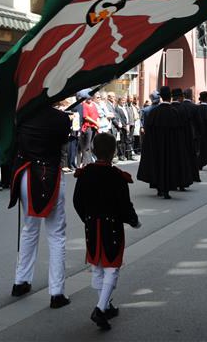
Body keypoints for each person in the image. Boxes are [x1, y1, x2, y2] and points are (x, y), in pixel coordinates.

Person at [73, 132, 140, 331]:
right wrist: (134, 221)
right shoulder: (118, 177)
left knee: (98, 266)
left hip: (92, 225)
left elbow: (77, 202)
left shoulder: (84, 174)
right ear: (112, 153)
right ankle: (101, 308)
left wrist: (87, 218)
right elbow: (124, 206)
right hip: (112, 226)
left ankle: (107, 304)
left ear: (93, 150)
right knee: (112, 266)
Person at [9, 103, 71, 309]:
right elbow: (63, 141)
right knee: (56, 235)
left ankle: (21, 281)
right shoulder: (61, 119)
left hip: (28, 174)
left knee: (29, 229)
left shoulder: (24, 116)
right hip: (51, 173)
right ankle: (57, 292)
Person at [137, 86, 192, 198]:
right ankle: (166, 189)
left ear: (161, 97)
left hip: (156, 147)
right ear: (170, 97)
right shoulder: (174, 112)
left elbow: (149, 134)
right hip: (171, 148)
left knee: (158, 164)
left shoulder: (154, 112)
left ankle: (158, 188)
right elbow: (179, 135)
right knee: (169, 166)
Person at [80, 94, 99, 166]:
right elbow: (86, 117)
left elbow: (97, 115)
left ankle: (91, 161)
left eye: (90, 97)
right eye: (88, 97)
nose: (89, 98)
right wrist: (96, 123)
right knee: (87, 146)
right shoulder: (84, 105)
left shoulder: (93, 105)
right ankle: (86, 162)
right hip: (88, 127)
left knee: (92, 145)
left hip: (94, 127)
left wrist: (97, 124)